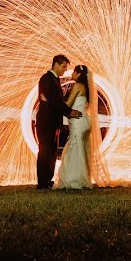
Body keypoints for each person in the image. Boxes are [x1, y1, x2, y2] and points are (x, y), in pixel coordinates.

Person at [35, 54, 82, 189]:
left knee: (52, 152)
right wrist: (69, 112)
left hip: (53, 122)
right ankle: (42, 183)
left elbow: (53, 100)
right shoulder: (46, 79)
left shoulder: (55, 80)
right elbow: (55, 100)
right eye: (63, 66)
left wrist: (51, 102)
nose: (65, 70)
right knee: (45, 151)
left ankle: (47, 180)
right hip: (45, 121)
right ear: (55, 64)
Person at [55, 65, 92, 189]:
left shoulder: (77, 86)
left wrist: (55, 102)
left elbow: (68, 104)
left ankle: (74, 179)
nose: (71, 74)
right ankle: (82, 178)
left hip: (78, 121)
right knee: (81, 149)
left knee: (75, 149)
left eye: (73, 73)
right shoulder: (86, 88)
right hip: (84, 121)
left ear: (78, 74)